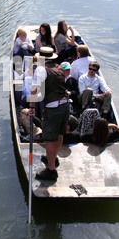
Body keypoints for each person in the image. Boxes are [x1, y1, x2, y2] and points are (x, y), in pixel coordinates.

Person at [29, 47, 69, 181]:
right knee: (59, 135)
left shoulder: (41, 69)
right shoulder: (58, 68)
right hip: (65, 106)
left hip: (54, 108)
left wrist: (31, 107)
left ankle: (51, 170)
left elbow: (34, 90)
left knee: (50, 139)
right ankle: (53, 157)